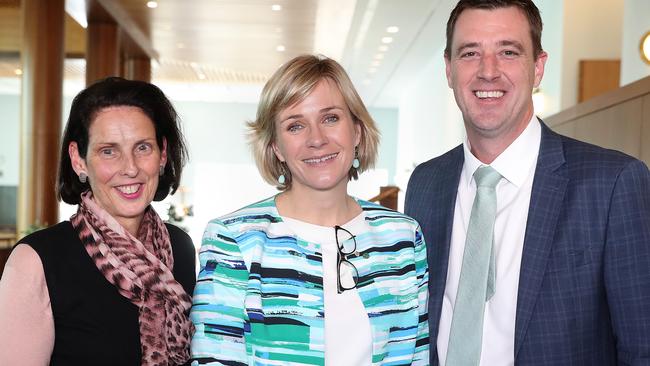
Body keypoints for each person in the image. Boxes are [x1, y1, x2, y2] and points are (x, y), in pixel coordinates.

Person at [405, 0, 650, 365]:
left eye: (508, 51)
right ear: (449, 69)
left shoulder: (612, 184)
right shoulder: (425, 183)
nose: (488, 72)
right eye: (470, 53)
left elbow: (642, 348)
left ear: (537, 68)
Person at [190, 54, 429, 365]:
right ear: (276, 147)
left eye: (330, 118)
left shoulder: (402, 238)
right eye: (295, 125)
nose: (316, 139)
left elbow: (418, 356)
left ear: (356, 131)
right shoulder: (235, 239)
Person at [0, 77, 196, 366]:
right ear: (78, 160)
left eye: (143, 147)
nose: (130, 168)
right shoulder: (38, 260)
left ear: (163, 154)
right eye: (109, 151)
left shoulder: (179, 246)